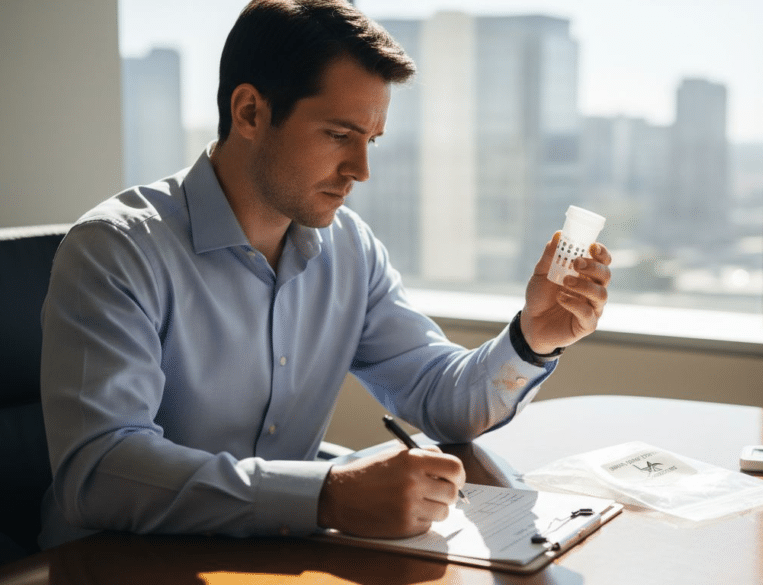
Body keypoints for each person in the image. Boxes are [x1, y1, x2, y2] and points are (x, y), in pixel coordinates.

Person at [38, 0, 612, 549]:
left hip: (274, 560)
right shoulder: (117, 251)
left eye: (371, 141)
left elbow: (439, 398)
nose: (361, 170)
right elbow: (101, 471)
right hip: (117, 563)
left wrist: (532, 338)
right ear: (250, 112)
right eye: (339, 135)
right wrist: (325, 497)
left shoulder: (349, 250)